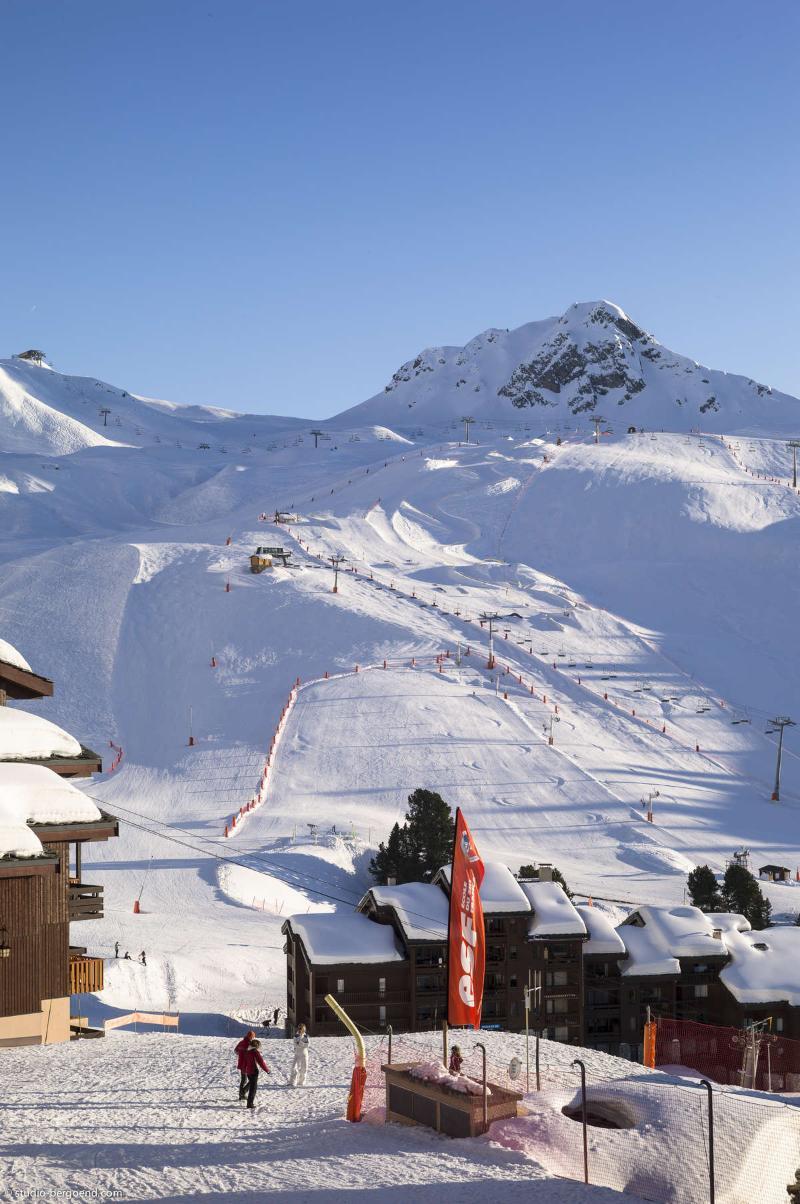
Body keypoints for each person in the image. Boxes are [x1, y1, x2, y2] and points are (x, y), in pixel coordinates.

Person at [241, 1039, 270, 1108]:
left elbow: (245, 1062)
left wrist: (244, 1070)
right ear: (256, 1046)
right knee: (253, 1088)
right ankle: (250, 1104)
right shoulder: (255, 1052)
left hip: (248, 1071)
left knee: (251, 1085)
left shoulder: (247, 1051)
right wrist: (267, 1070)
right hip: (253, 1071)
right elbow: (261, 1062)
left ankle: (244, 1091)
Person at [235, 1030, 256, 1100]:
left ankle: (241, 1095)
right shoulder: (250, 1044)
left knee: (243, 1079)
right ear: (251, 1037)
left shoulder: (241, 1042)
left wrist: (241, 1054)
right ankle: (243, 1092)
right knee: (253, 1080)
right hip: (247, 1064)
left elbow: (235, 1050)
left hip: (241, 1063)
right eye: (253, 1037)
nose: (253, 1038)